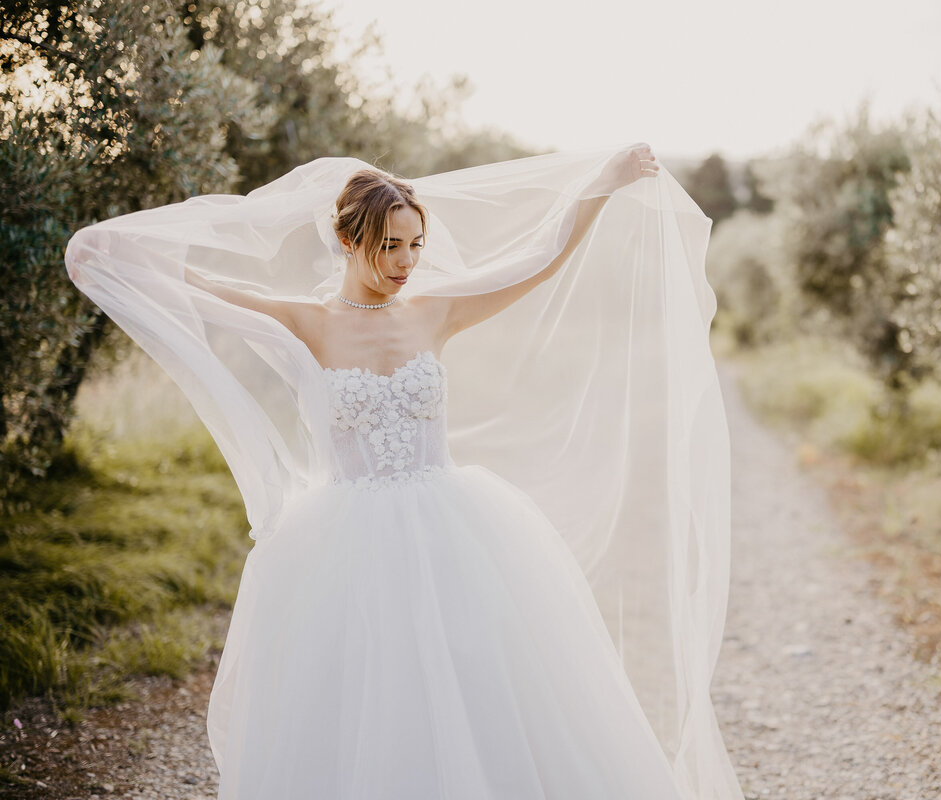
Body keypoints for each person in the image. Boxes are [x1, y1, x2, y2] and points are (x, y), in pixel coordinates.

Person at [65, 143, 745, 800]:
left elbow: (540, 257)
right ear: (348, 241)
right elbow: (204, 289)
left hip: (454, 527)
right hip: (345, 541)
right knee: (369, 697)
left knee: (479, 684)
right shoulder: (307, 322)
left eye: (415, 244)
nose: (406, 261)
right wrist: (113, 256)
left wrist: (606, 179)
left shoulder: (433, 310)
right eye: (390, 245)